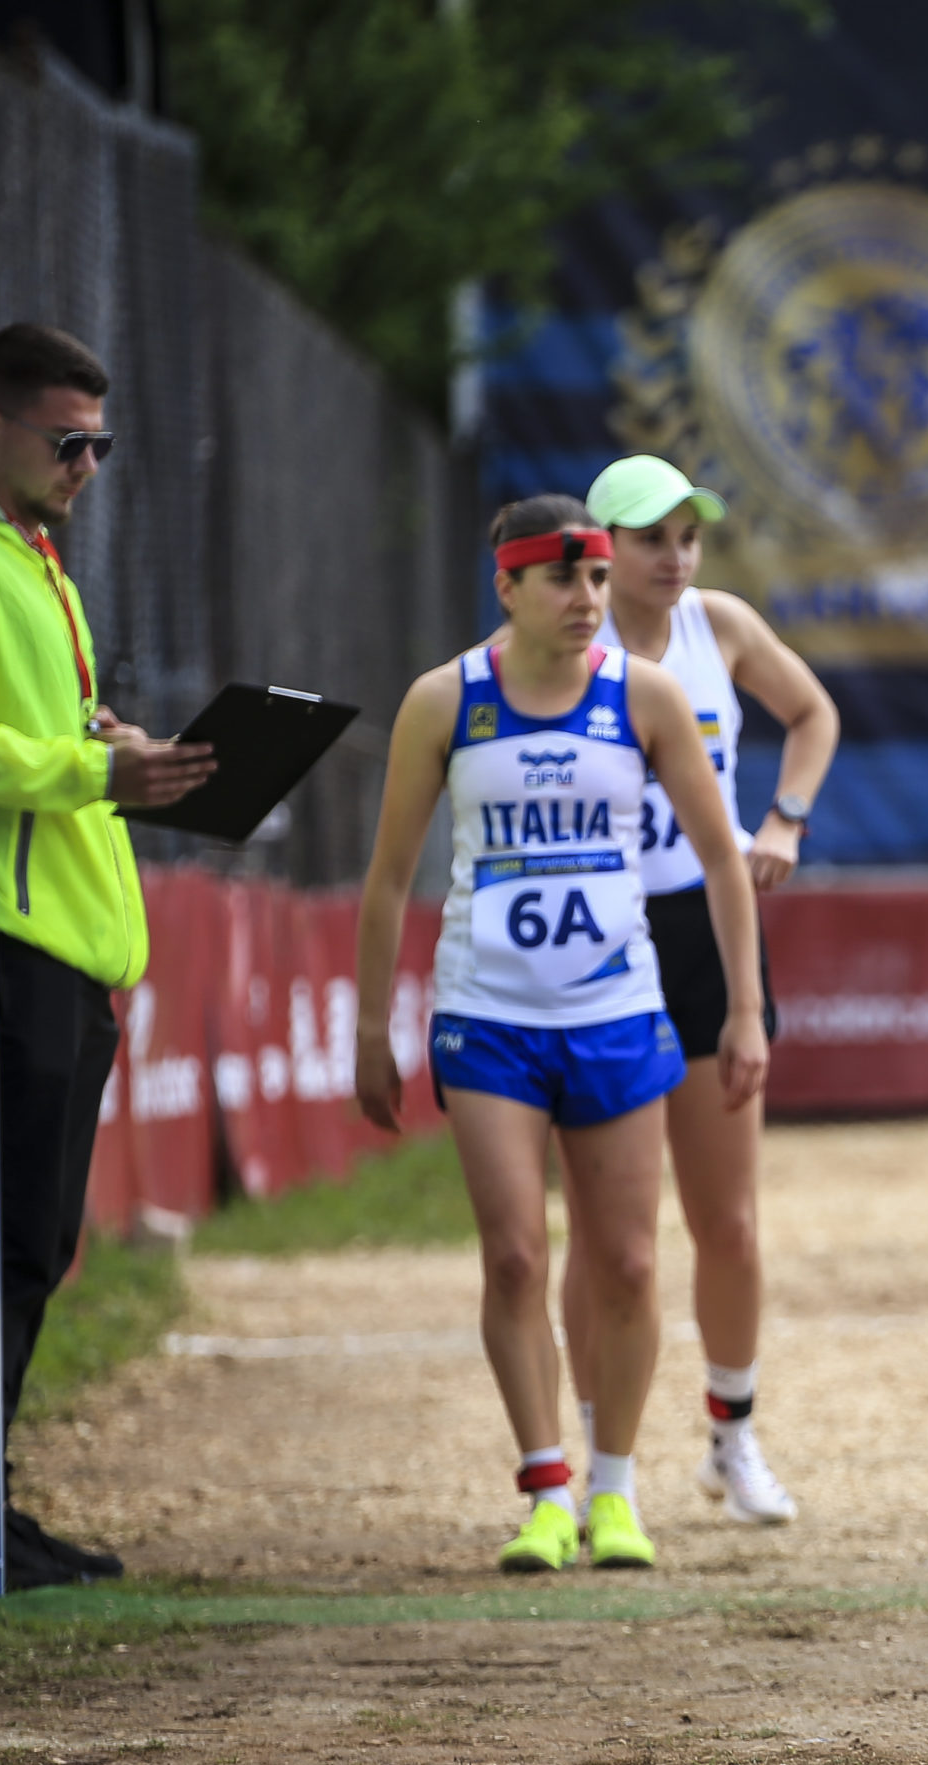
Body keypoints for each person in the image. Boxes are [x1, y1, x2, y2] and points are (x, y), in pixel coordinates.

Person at [353, 496, 768, 1574]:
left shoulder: (647, 695)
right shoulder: (445, 700)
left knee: (627, 1259)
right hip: (487, 1015)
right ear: (507, 585)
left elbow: (722, 862)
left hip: (616, 1010)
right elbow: (389, 878)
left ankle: (614, 1489)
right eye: (562, 579)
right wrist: (369, 1028)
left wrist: (744, 1008)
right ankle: (546, 1487)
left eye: (595, 578)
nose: (587, 599)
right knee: (513, 1257)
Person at [551, 455, 838, 1529]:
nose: (675, 558)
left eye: (688, 536)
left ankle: (733, 1436)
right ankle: (598, 1454)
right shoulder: (563, 650)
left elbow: (813, 714)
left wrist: (786, 819)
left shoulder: (719, 626)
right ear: (600, 551)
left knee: (728, 1219)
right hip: (597, 936)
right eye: (650, 539)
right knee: (602, 1232)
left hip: (707, 929)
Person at [0, 322, 216, 1592]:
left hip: (71, 954)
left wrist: (106, 742)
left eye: (100, 446)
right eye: (67, 442)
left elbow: (35, 733)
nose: (85, 466)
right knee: (12, 1242)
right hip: (14, 949)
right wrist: (94, 766)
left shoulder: (39, 566)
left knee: (39, 1242)